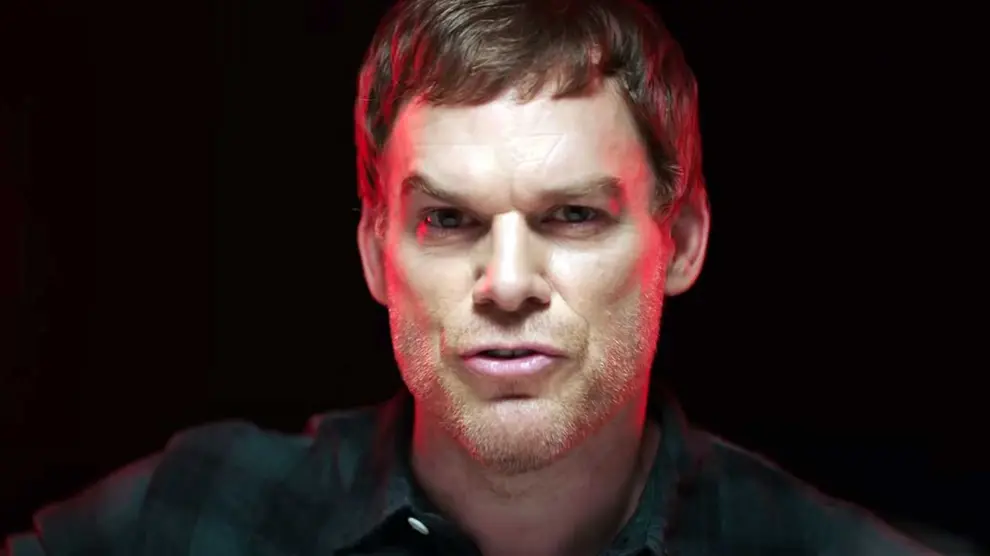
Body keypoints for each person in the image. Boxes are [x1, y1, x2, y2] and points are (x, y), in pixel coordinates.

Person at [4, 0, 939, 555]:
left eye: (573, 216)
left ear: (683, 241)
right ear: (376, 254)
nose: (507, 283)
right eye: (449, 220)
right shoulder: (193, 516)